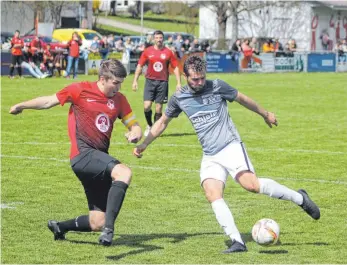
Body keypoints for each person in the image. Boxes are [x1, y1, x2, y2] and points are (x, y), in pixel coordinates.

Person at [133, 55, 320, 253]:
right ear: (186, 77)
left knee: (251, 185)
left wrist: (266, 114)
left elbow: (243, 99)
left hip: (230, 146)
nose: (199, 82)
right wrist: (145, 143)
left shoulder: (217, 86)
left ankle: (300, 198)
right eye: (195, 79)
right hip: (210, 154)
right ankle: (237, 241)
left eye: (202, 78)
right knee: (212, 193)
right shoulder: (180, 98)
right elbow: (162, 122)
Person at [9, 59, 142, 246]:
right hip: (82, 155)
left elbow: (134, 124)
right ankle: (109, 230)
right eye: (116, 83)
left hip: (98, 161)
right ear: (103, 79)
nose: (119, 87)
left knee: (97, 221)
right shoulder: (80, 89)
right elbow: (48, 101)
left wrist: (135, 133)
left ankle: (60, 226)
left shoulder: (119, 100)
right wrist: (22, 105)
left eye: (121, 82)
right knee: (124, 172)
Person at [132, 30, 181, 137]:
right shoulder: (147, 51)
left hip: (163, 82)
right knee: (147, 106)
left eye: (160, 38)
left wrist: (178, 83)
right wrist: (135, 80)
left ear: (163, 39)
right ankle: (149, 125)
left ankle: (155, 130)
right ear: (154, 39)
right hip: (149, 81)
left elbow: (176, 67)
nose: (159, 40)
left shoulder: (168, 52)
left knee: (159, 108)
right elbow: (140, 66)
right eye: (157, 38)